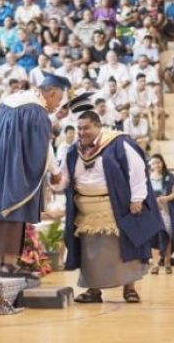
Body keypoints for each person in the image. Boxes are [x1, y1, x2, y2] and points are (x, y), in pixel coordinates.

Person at [51, 110, 164, 304]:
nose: (82, 132)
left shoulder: (119, 143)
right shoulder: (72, 151)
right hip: (86, 209)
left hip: (117, 206)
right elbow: (64, 179)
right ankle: (93, 290)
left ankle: (130, 289)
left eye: (86, 128)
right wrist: (55, 181)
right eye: (79, 128)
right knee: (90, 253)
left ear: (98, 126)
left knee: (125, 248)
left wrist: (137, 198)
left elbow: (137, 170)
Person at [0, 73, 70, 274]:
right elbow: (42, 146)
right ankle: (9, 263)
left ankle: (4, 263)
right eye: (58, 100)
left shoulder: (12, 100)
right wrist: (55, 171)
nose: (57, 105)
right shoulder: (37, 112)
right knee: (15, 200)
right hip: (14, 162)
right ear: (51, 94)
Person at [148, 154, 174, 275]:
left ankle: (167, 262)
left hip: (167, 210)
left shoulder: (170, 176)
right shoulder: (147, 178)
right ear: (150, 165)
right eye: (153, 163)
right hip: (153, 211)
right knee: (153, 236)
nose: (156, 165)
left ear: (162, 163)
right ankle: (155, 264)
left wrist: (164, 198)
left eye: (158, 162)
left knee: (167, 235)